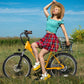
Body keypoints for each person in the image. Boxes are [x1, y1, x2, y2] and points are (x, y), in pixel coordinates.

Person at [31, 0, 70, 80]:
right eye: (54, 8)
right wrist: (52, 3)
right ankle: (37, 62)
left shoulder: (59, 21)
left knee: (41, 55)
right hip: (46, 37)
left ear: (59, 12)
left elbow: (64, 31)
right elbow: (44, 8)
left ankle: (44, 74)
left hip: (52, 39)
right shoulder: (49, 17)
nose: (54, 10)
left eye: (56, 9)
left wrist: (67, 40)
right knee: (33, 45)